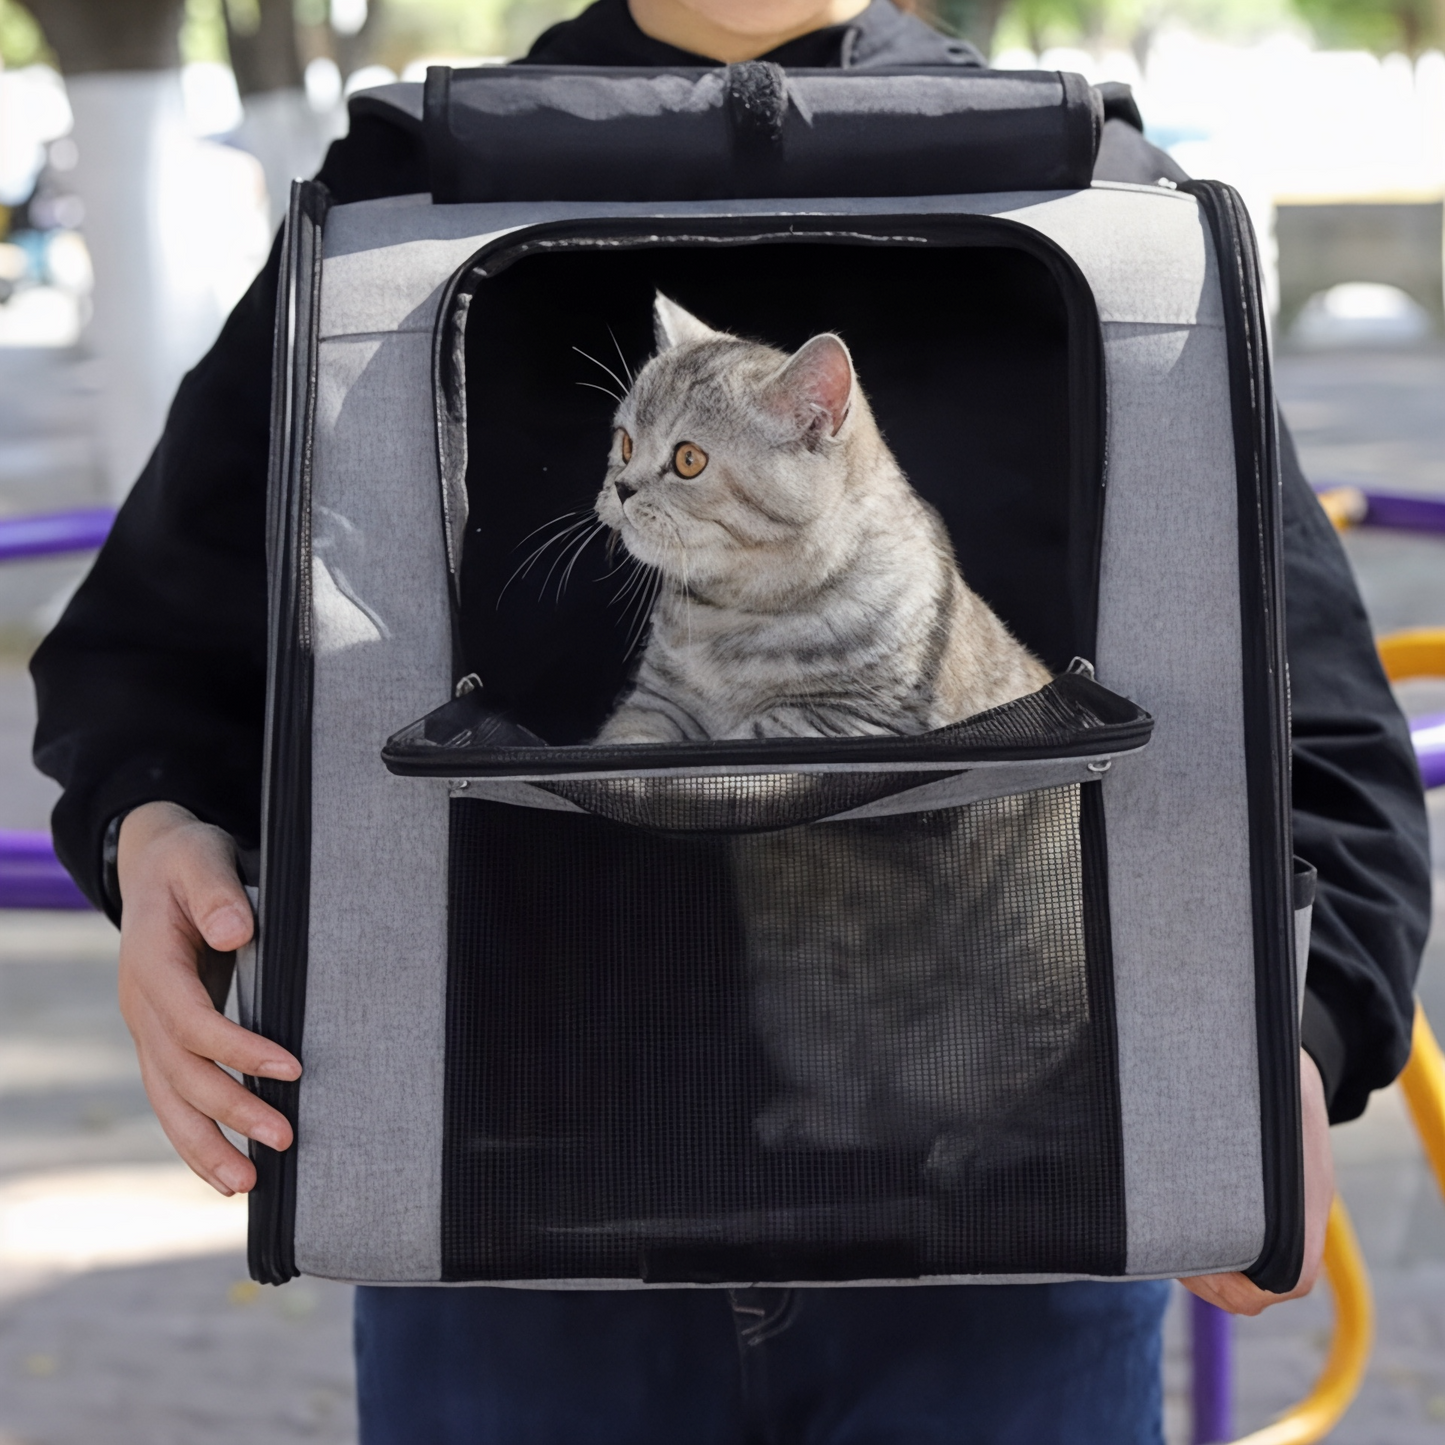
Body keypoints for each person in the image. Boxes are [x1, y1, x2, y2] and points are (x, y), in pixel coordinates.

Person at [31, 1, 1431, 1440]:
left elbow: (1322, 747)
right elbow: (139, 658)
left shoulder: (1106, 204)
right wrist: (153, 838)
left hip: (1017, 1242)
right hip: (510, 1244)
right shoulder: (402, 198)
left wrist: (1302, 1048)